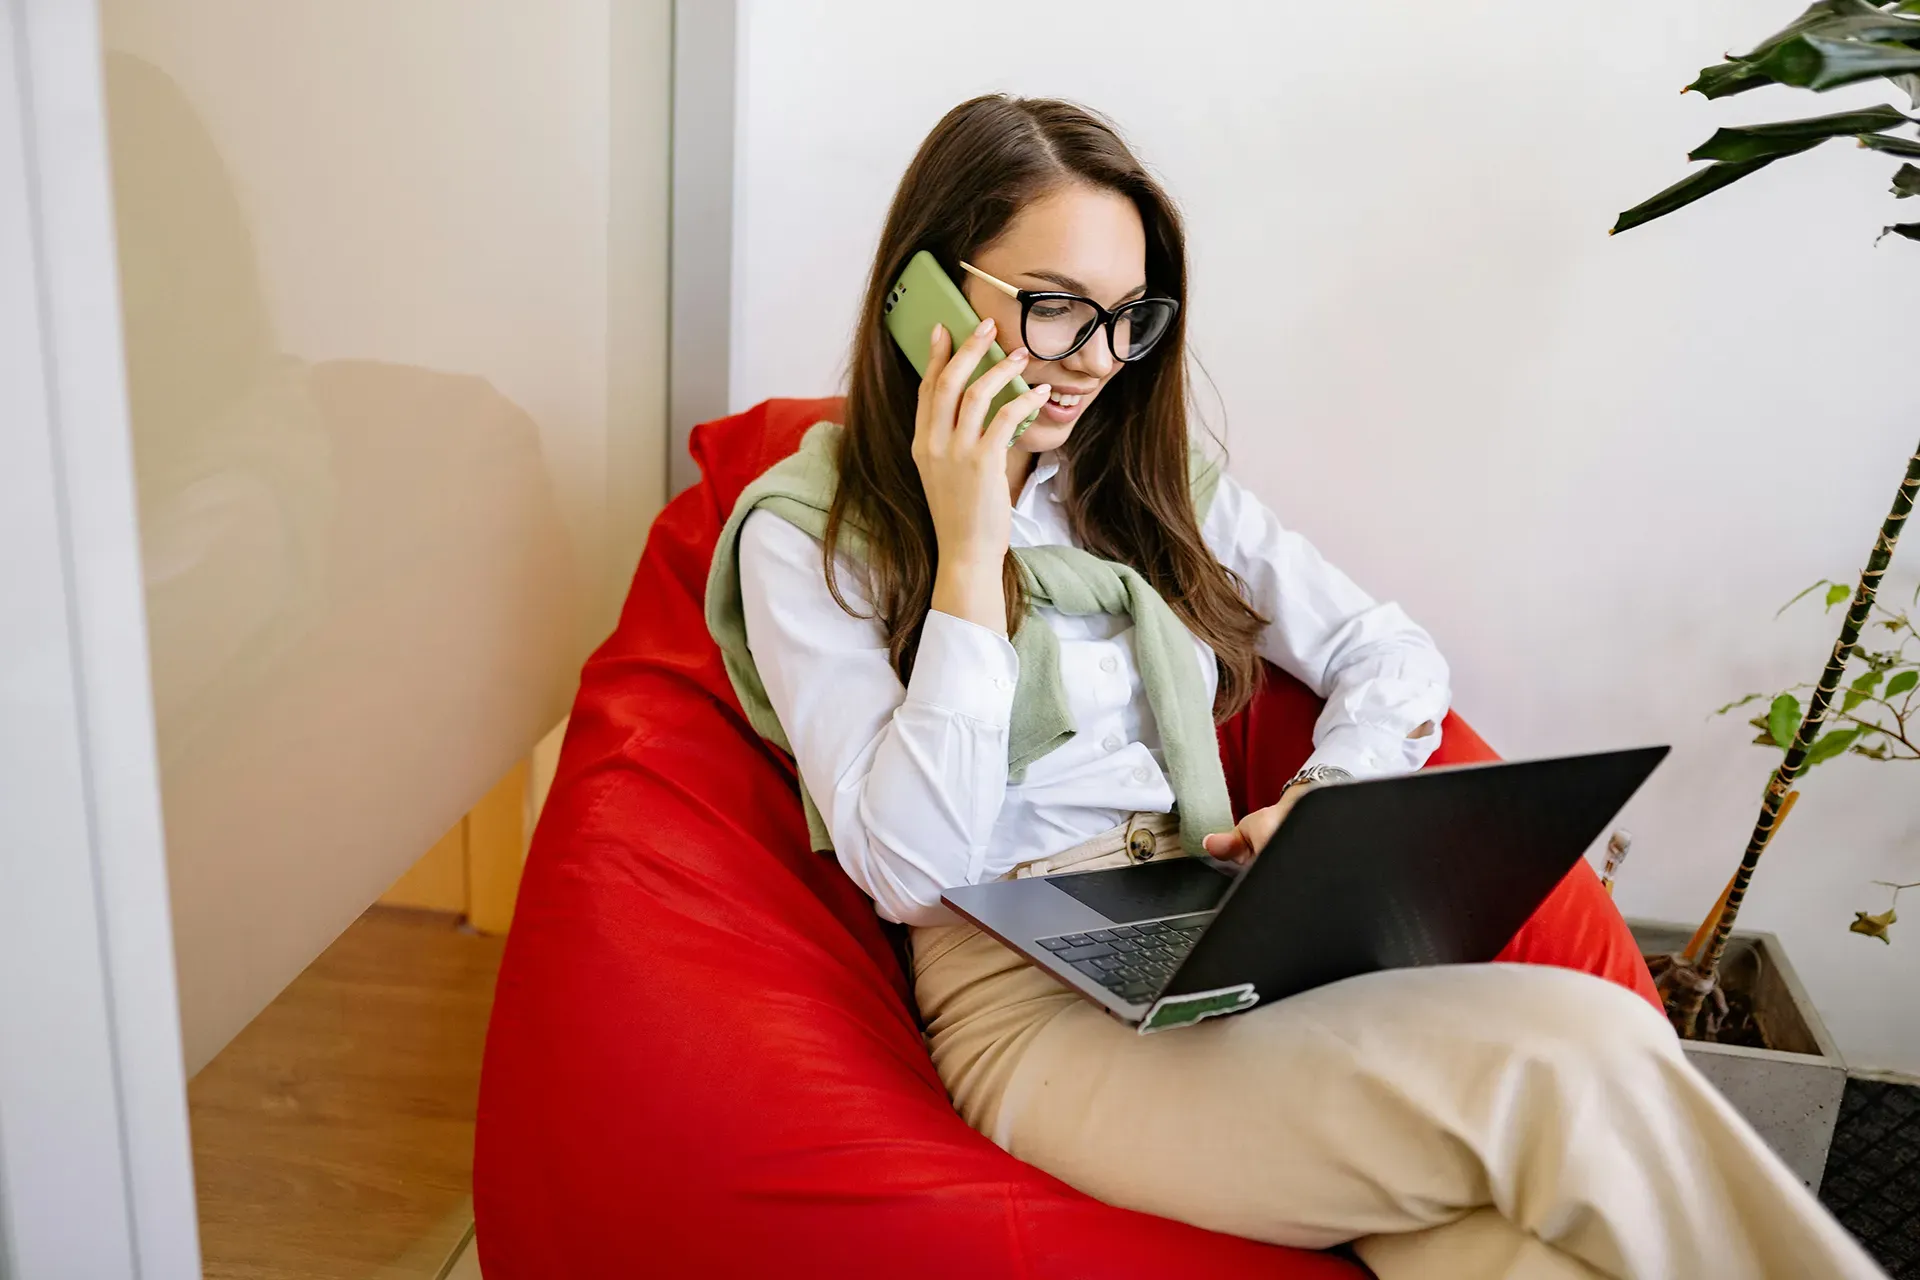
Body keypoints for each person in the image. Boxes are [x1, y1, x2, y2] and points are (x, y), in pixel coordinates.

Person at [706, 95, 1882, 1280]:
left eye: (1125, 320)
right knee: (1574, 1046)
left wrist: (1321, 801)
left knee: (1499, 1250)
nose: (1092, 364)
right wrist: (968, 550)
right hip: (1028, 1007)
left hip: (1219, 935)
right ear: (928, 293)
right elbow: (912, 873)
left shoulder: (1147, 492)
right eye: (1054, 306)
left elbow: (1390, 651)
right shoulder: (808, 536)